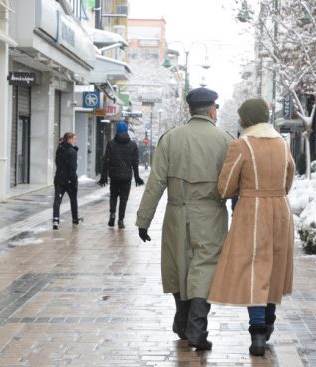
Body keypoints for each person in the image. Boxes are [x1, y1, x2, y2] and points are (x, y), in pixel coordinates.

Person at [136, 87, 233, 351]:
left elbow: (155, 182)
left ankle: (182, 319)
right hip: (211, 214)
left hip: (176, 212)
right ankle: (196, 327)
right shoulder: (225, 140)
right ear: (212, 110)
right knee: (205, 266)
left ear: (190, 109)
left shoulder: (170, 139)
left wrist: (143, 219)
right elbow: (233, 183)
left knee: (179, 265)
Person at [208, 99, 296, 357]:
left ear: (246, 120)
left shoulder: (241, 145)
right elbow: (288, 179)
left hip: (252, 211)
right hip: (280, 210)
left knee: (254, 269)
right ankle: (269, 320)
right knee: (275, 267)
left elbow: (224, 188)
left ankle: (257, 330)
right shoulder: (282, 144)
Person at [99, 121, 144, 229]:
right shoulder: (133, 145)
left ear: (117, 131)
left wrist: (104, 176)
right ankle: (120, 220)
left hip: (114, 175)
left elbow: (107, 161)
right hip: (126, 177)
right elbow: (135, 163)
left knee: (113, 196)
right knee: (124, 199)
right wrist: (137, 177)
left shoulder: (111, 144)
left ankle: (112, 214)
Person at [53, 132, 82, 230]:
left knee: (57, 200)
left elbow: (58, 163)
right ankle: (75, 219)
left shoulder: (59, 149)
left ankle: (55, 220)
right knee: (73, 200)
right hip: (69, 180)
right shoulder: (72, 152)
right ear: (69, 139)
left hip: (59, 179)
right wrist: (74, 181)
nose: (76, 141)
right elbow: (72, 169)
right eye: (74, 139)